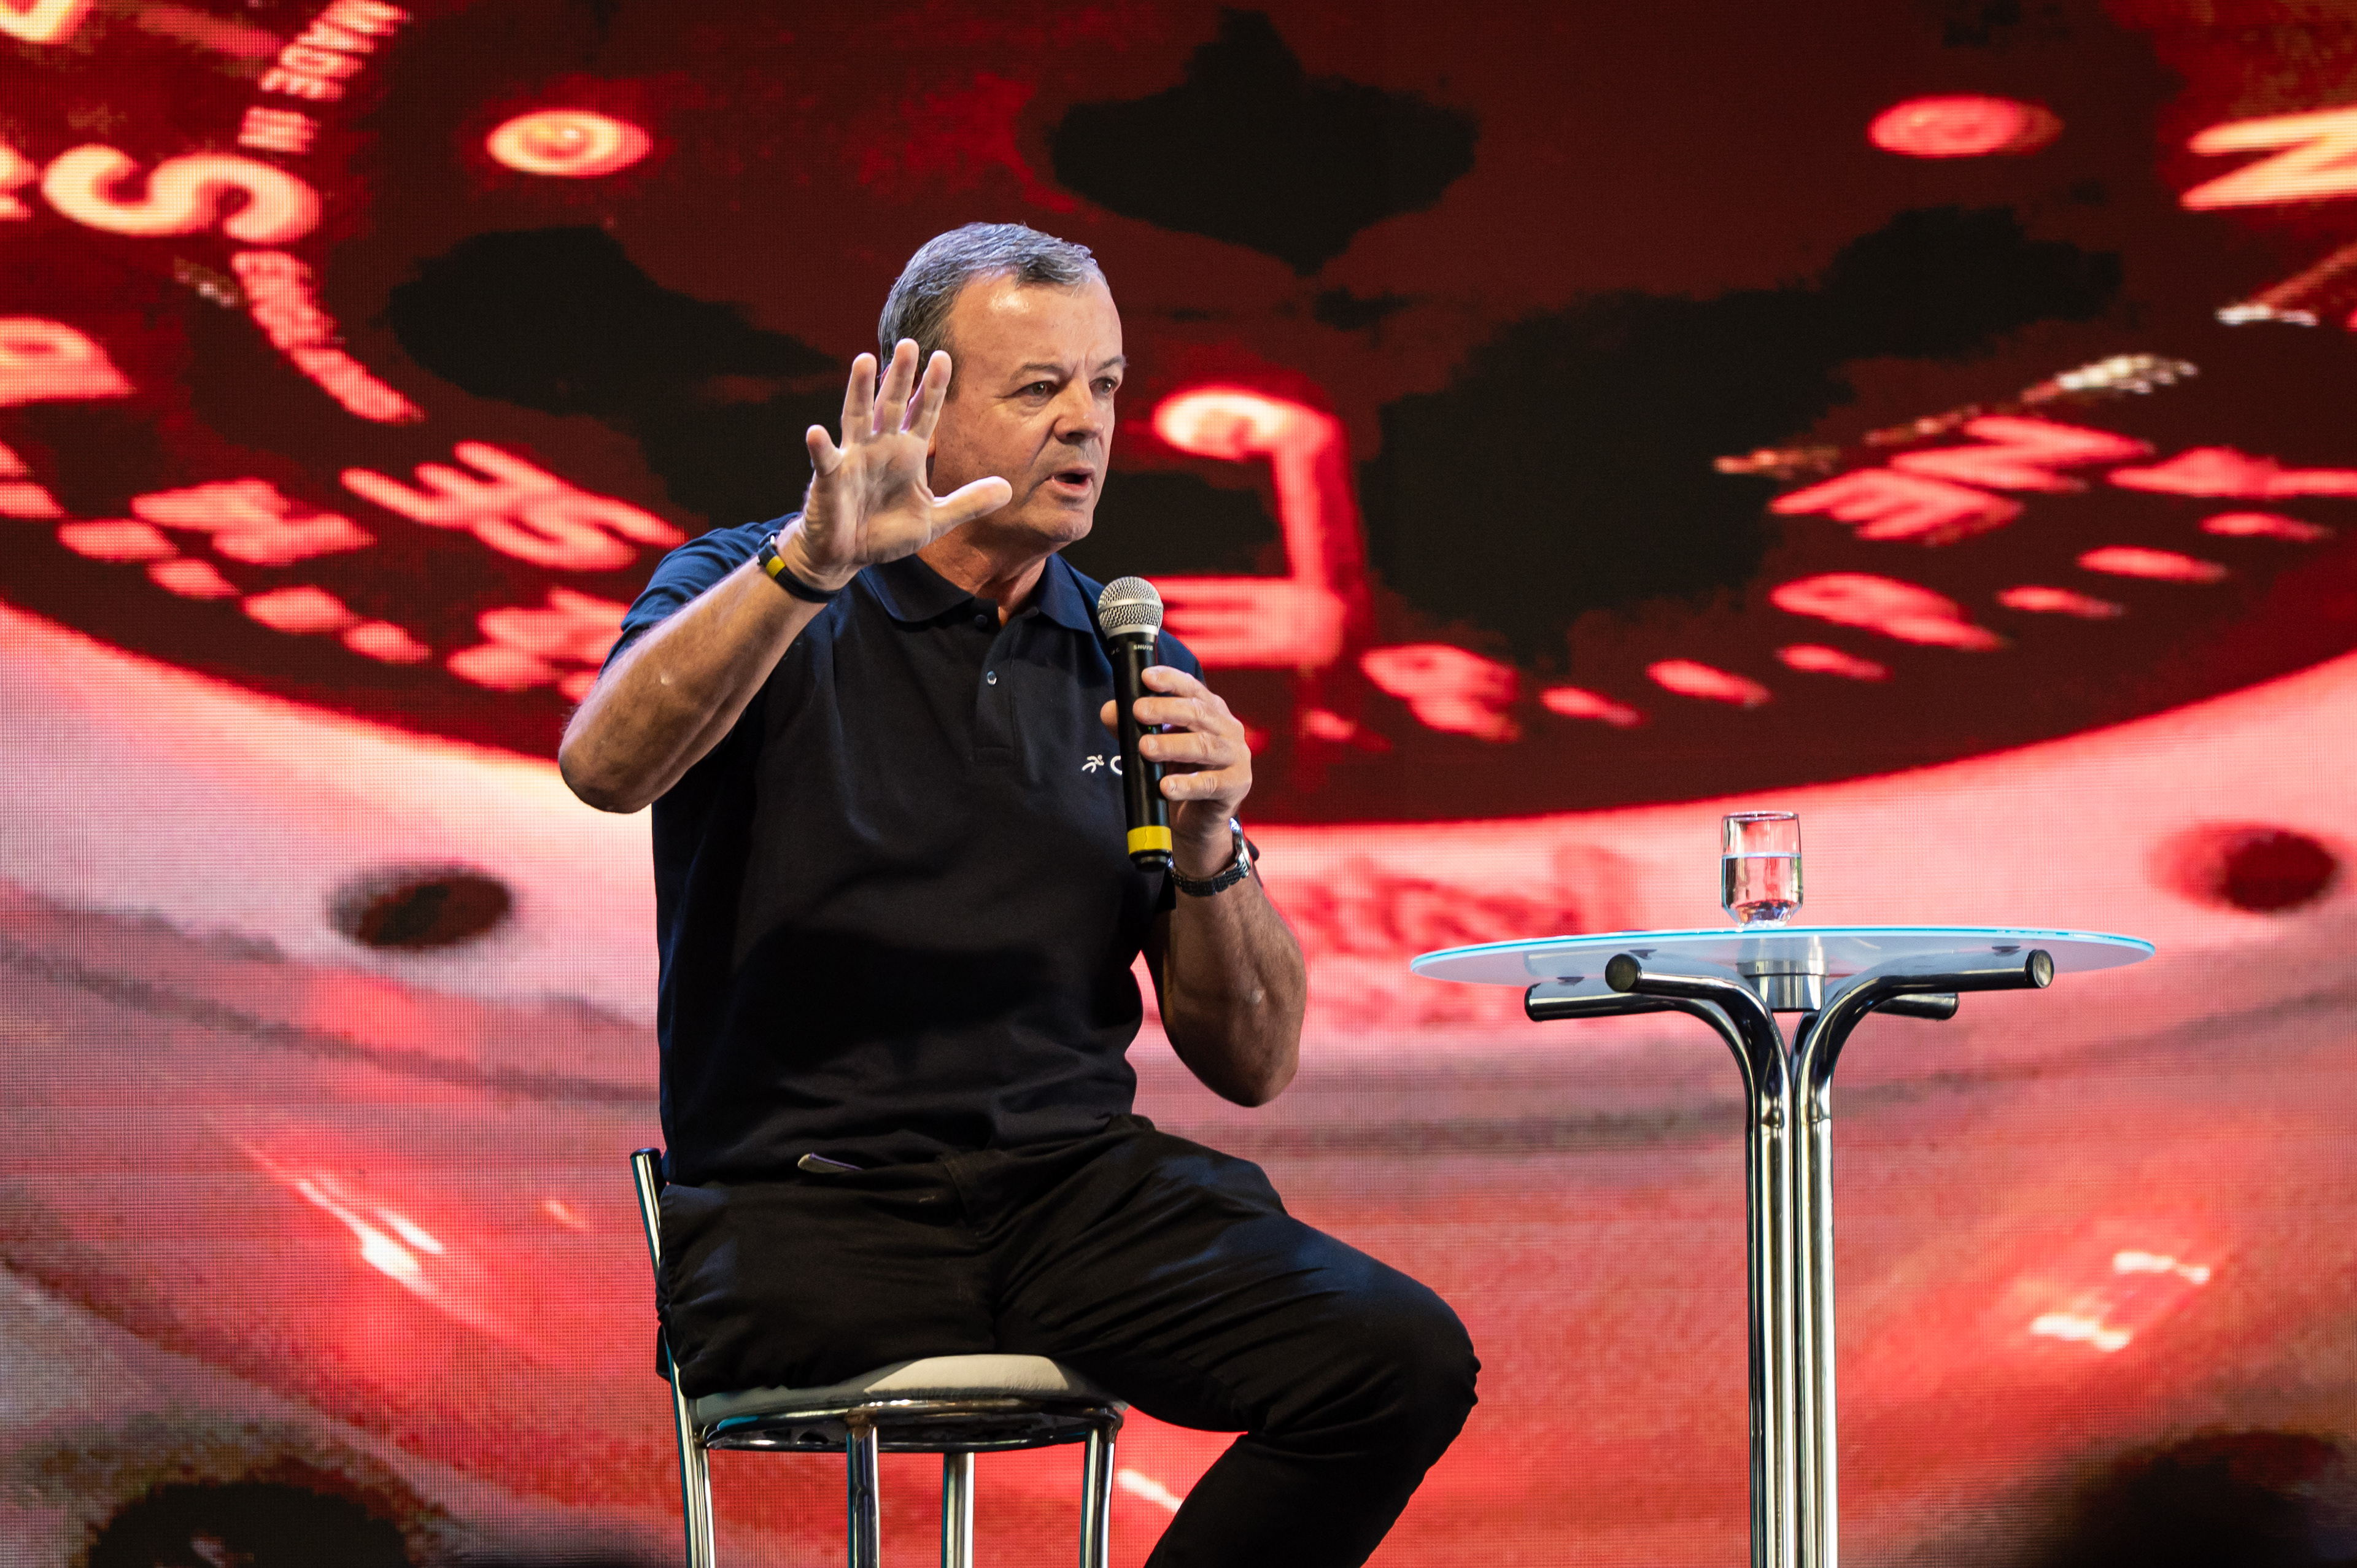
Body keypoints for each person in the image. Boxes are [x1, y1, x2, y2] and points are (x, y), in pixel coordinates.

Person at [560, 223, 1476, 1567]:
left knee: (1397, 1360)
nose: (1085, 424)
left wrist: (1213, 841)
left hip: (1070, 1201)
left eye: (1104, 386)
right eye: (1039, 388)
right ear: (917, 400)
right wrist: (809, 568)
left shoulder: (1126, 656)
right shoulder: (755, 584)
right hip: (809, 1203)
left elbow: (1254, 1063)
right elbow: (604, 768)